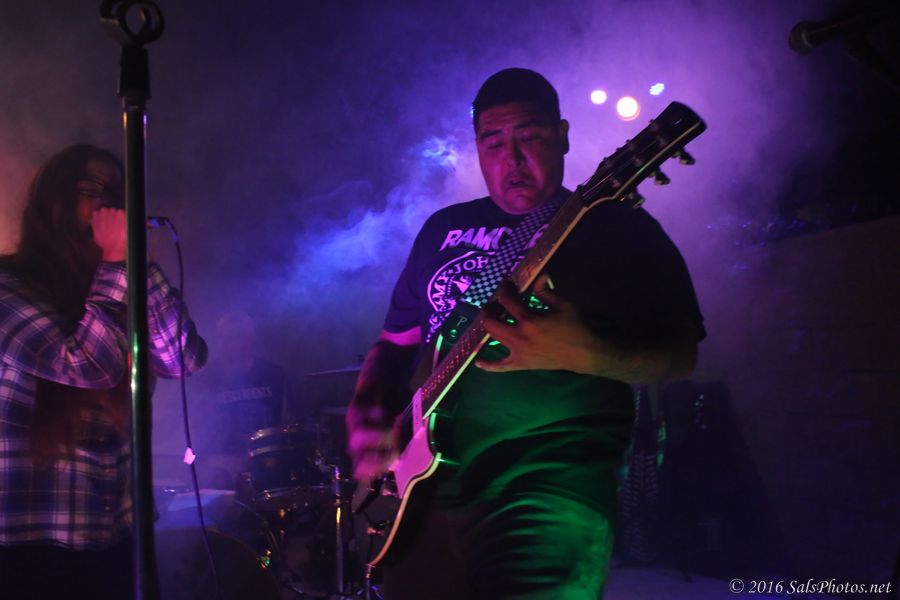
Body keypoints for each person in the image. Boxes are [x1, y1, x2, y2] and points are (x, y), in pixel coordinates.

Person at [345, 68, 705, 599]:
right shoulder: (442, 229)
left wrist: (587, 354)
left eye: (530, 137)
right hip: (426, 496)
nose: (511, 159)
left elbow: (679, 356)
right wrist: (367, 416)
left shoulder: (617, 228)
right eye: (494, 143)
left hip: (550, 487)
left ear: (562, 136)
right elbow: (394, 344)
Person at [0, 144, 208, 599]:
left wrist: (135, 265)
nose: (108, 202)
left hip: (115, 531)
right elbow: (86, 365)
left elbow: (183, 359)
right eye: (90, 188)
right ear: (54, 203)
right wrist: (116, 264)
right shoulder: (7, 286)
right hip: (29, 538)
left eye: (116, 191)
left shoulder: (118, 278)